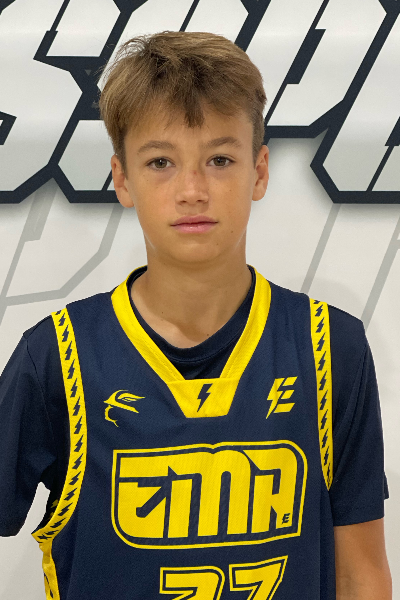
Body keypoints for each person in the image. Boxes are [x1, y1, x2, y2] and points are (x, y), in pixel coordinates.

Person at [0, 30, 392, 600]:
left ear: (259, 171)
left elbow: (360, 574)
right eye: (161, 161)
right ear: (122, 179)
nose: (192, 190)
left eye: (220, 159)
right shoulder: (57, 357)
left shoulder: (331, 345)